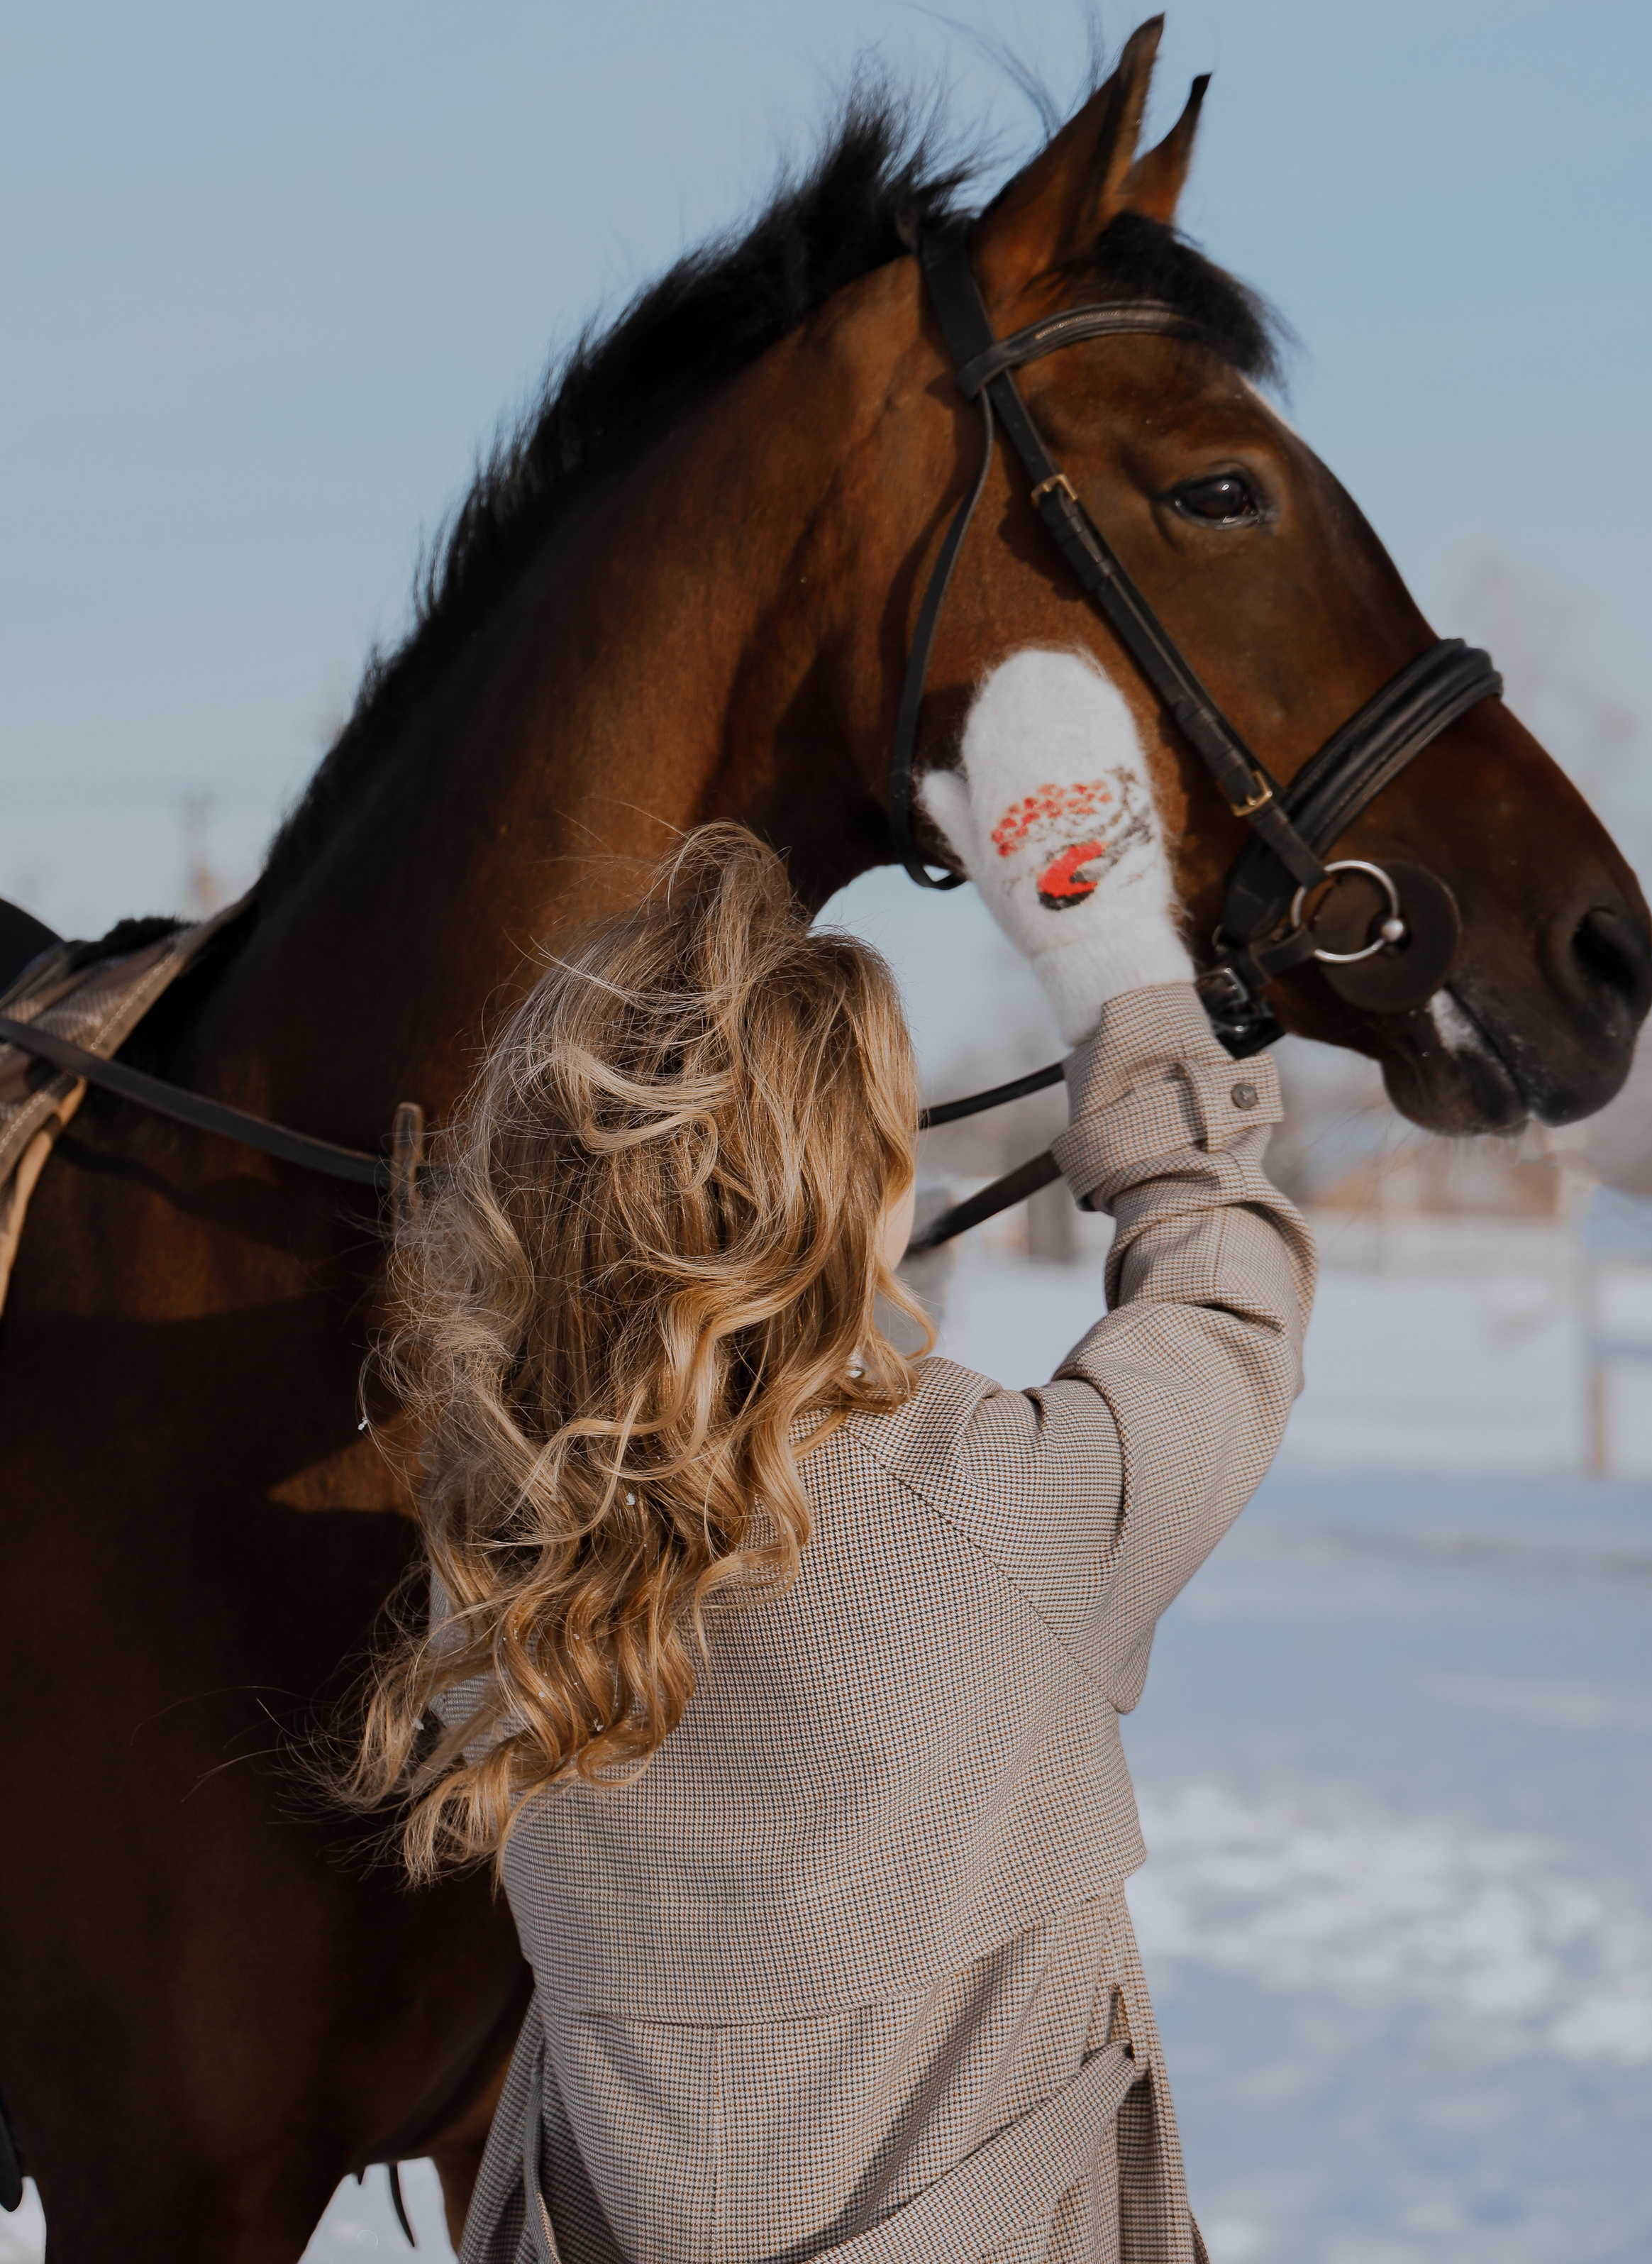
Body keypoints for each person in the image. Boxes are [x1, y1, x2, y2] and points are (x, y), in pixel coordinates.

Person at [348, 648, 1316, 2264]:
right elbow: (1225, 1303)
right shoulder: (1001, 1517)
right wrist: (1114, 967)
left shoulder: (498, 1569)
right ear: (862, 1194)